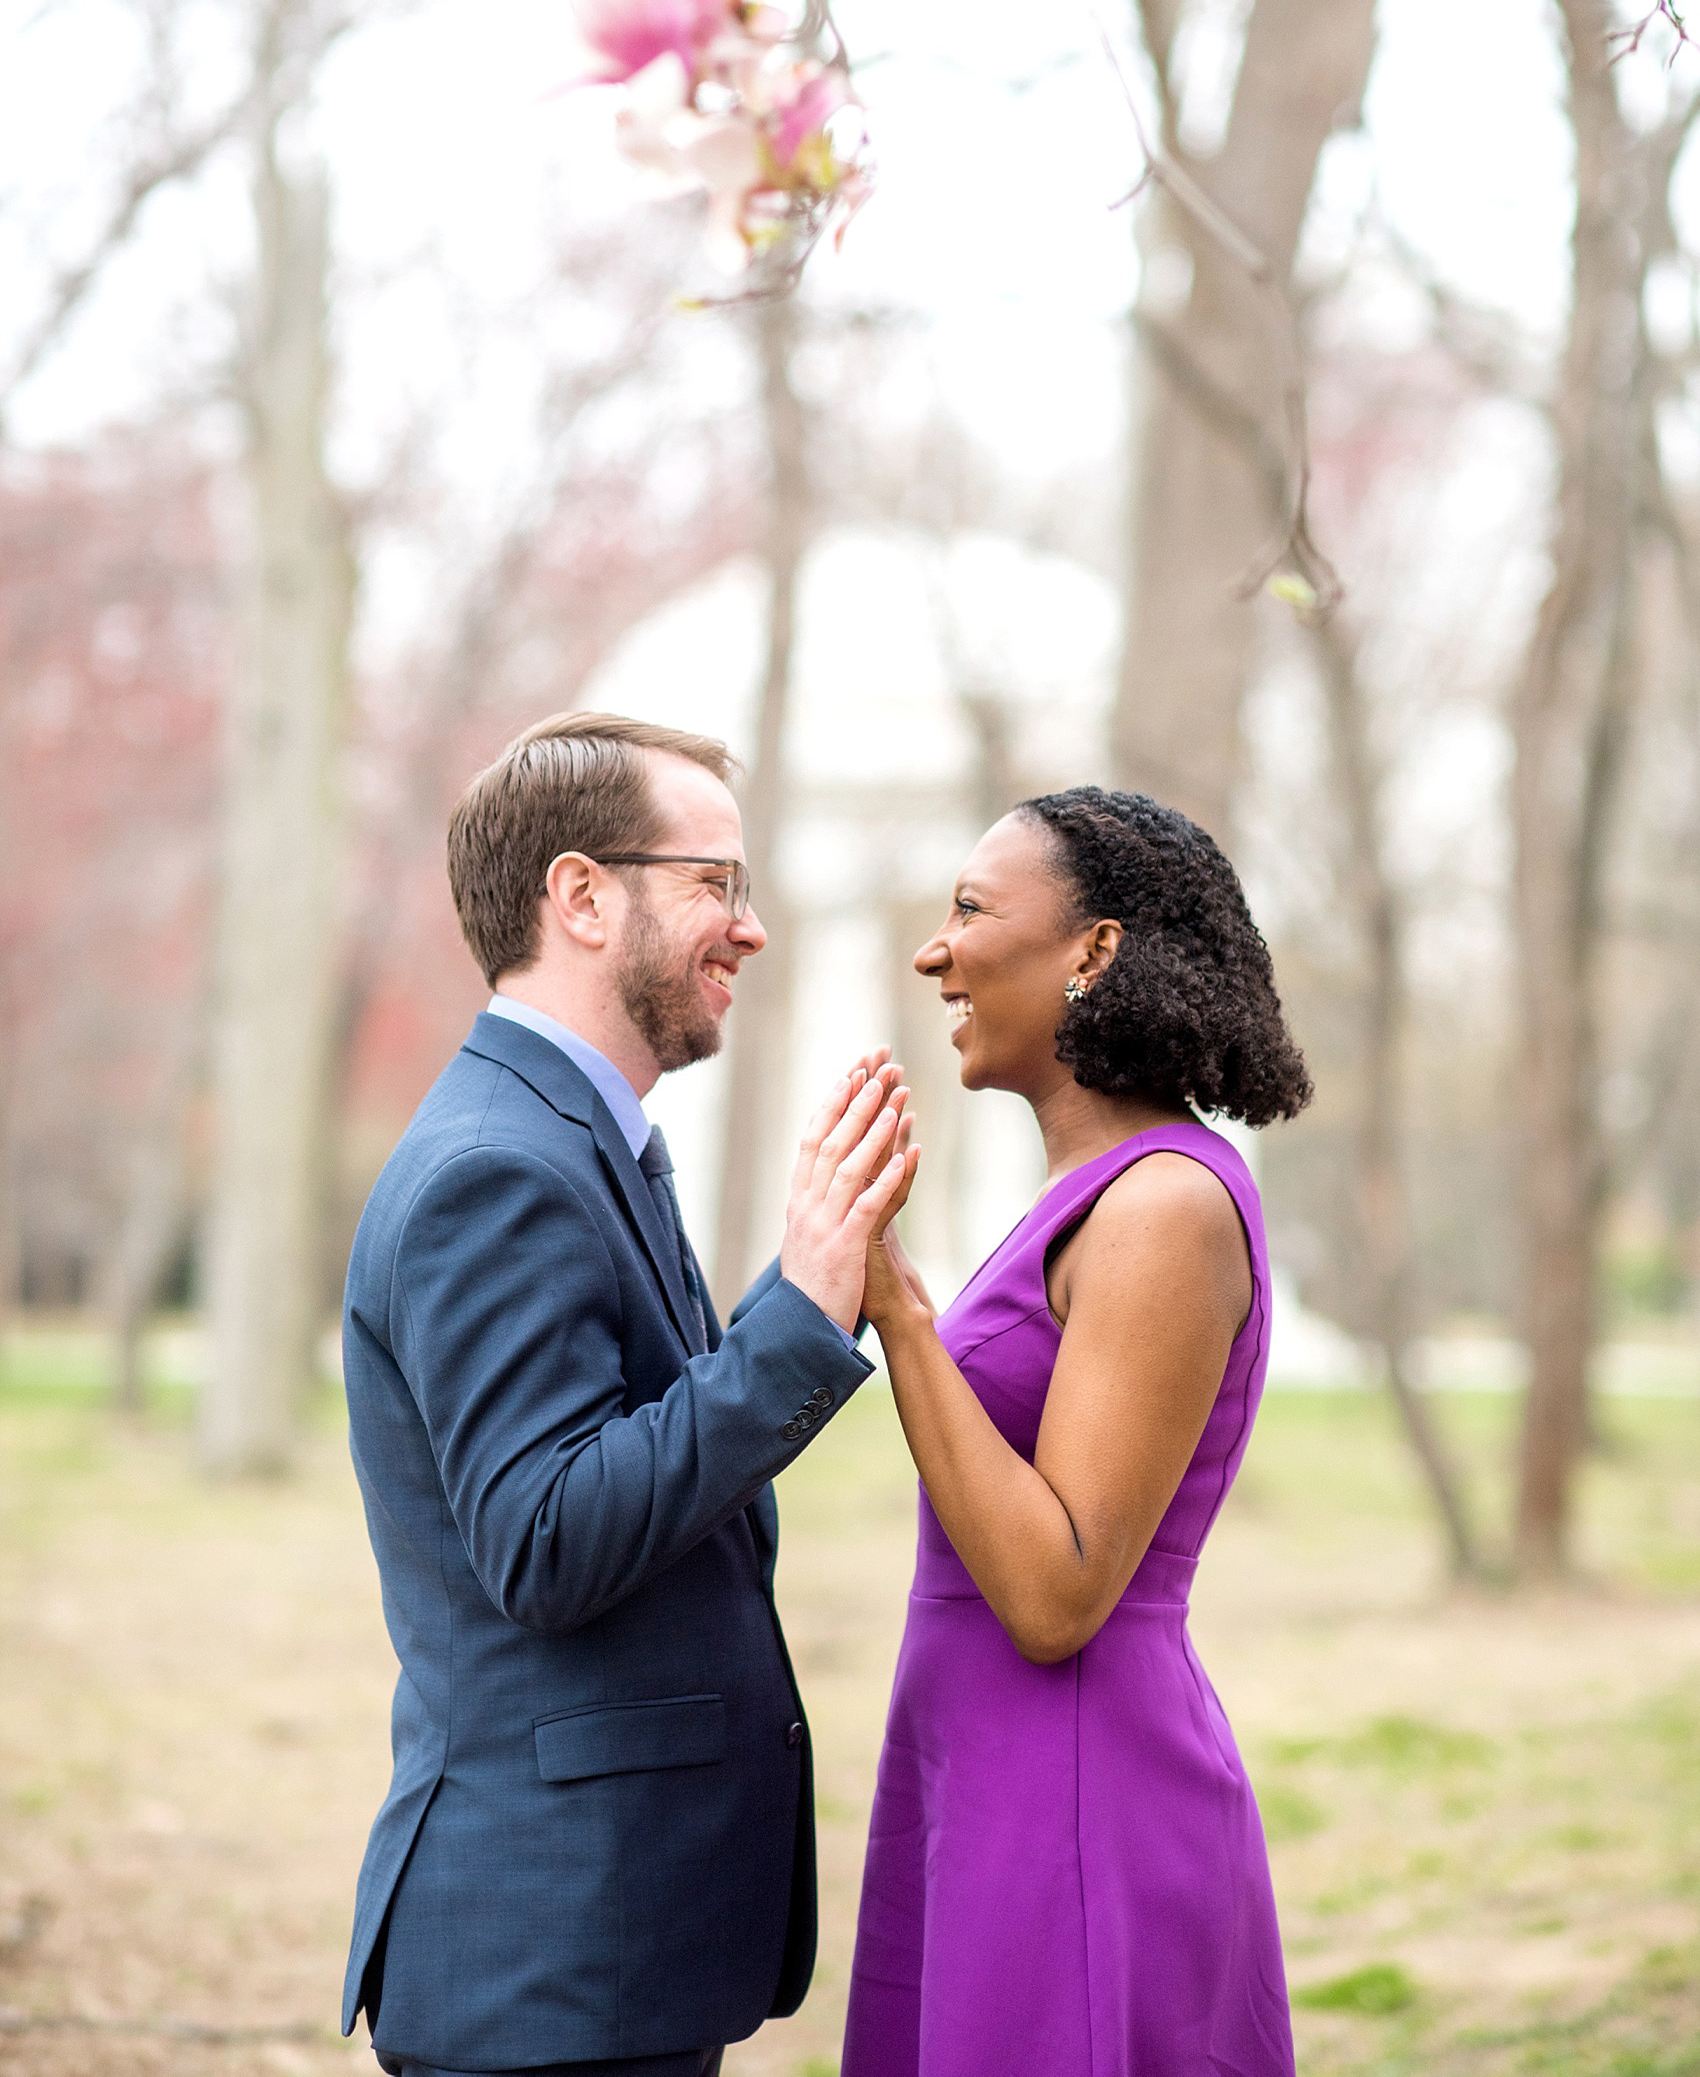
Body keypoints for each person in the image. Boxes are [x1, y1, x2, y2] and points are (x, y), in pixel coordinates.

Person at [339, 711, 915, 2077]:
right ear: (583, 895)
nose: (750, 926)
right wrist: (799, 1312)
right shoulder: (501, 1170)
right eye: (716, 881)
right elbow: (544, 1539)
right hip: (547, 1968)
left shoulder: (578, 1139)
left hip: (606, 1956)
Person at [842, 785, 1313, 2077]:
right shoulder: (1089, 1192)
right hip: (981, 1767)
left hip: (1077, 1787)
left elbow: (1056, 1594)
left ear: (1093, 951)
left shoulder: (1164, 1204)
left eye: (971, 909)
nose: (935, 948)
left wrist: (898, 1308)